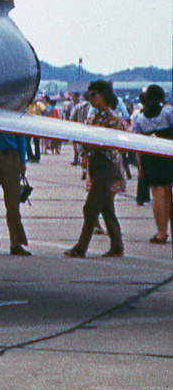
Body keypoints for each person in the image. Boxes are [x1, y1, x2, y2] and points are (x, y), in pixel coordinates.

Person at [64, 80, 126, 258]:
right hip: (94, 164)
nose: (90, 98)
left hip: (106, 166)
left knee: (90, 207)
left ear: (103, 96)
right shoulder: (91, 119)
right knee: (106, 206)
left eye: (94, 95)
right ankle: (117, 245)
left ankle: (81, 247)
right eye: (89, 95)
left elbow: (121, 142)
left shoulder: (114, 120)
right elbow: (83, 140)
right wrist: (84, 155)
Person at [131, 84, 172, 245]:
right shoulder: (168, 112)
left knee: (157, 194)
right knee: (168, 192)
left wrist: (140, 166)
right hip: (168, 154)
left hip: (150, 158)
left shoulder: (139, 118)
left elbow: (137, 144)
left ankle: (161, 232)